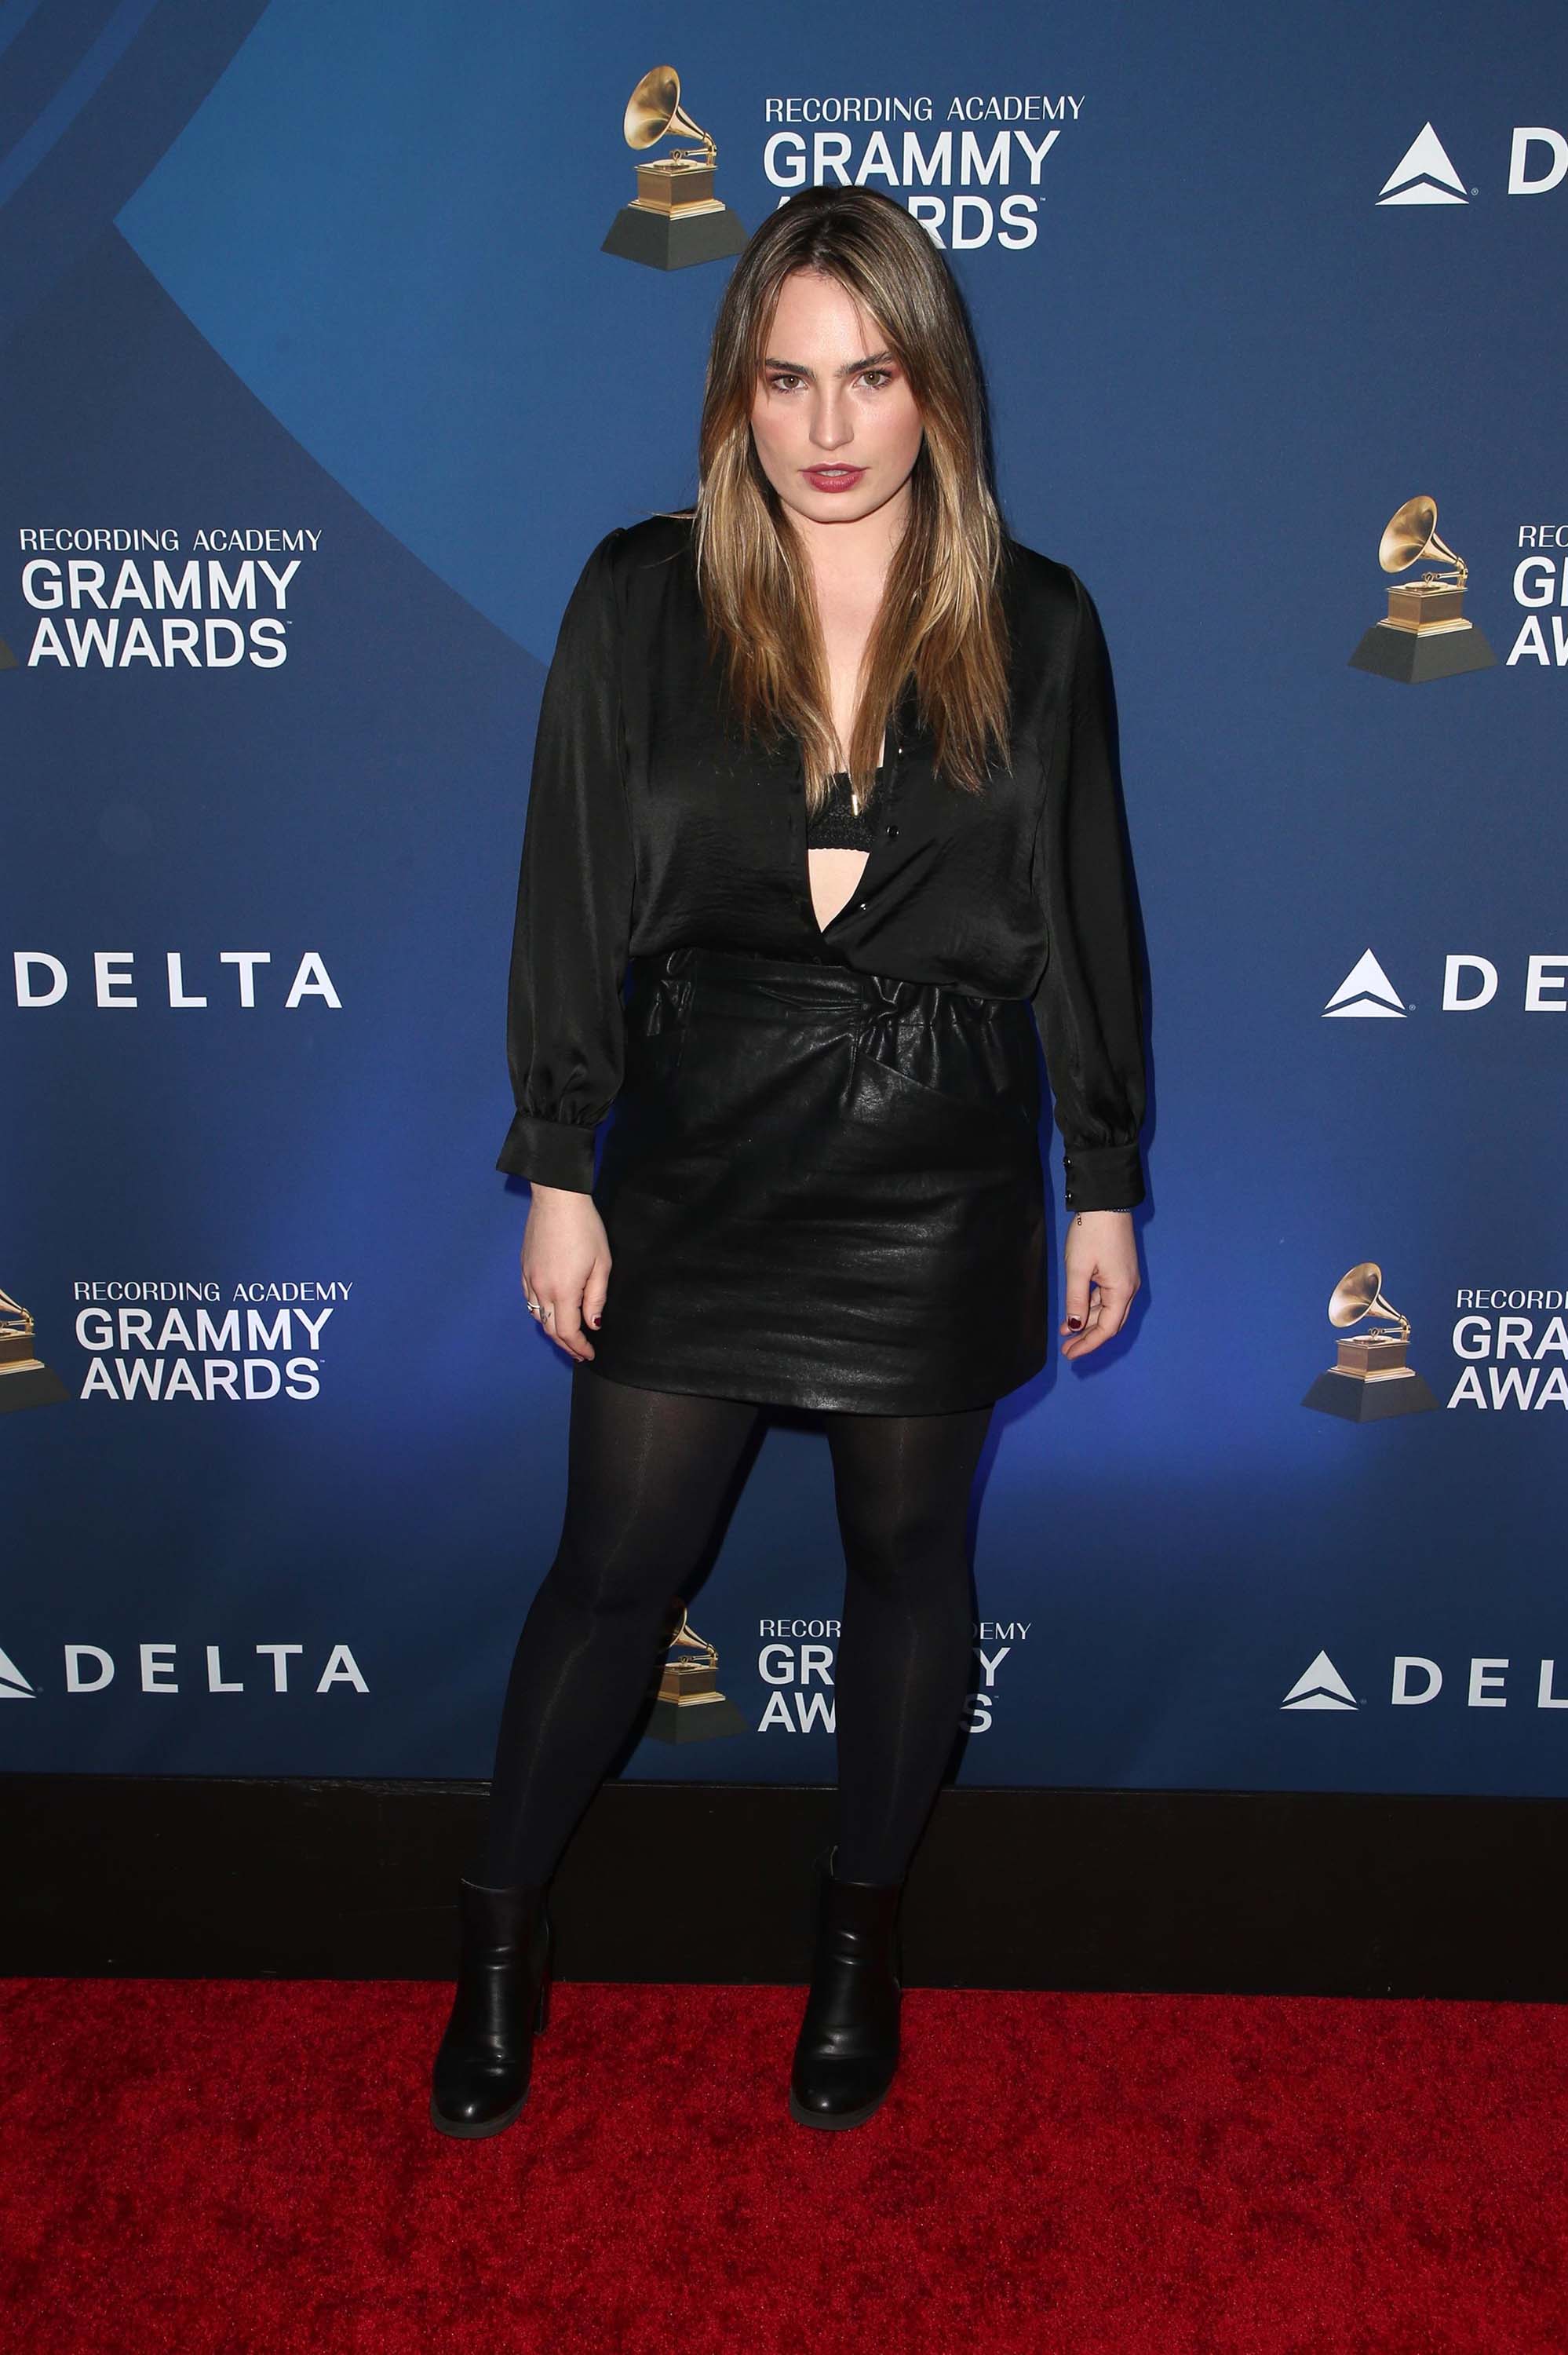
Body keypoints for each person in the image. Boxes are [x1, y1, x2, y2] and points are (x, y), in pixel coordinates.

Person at [430, 184, 1149, 2140]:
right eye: (786, 380)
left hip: (939, 1162)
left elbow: (1085, 910)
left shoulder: (1039, 622)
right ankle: (496, 1937)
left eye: (873, 376)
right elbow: (570, 888)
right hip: (698, 1148)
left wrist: (1102, 1169)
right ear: (735, 396)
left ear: (938, 393)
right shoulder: (639, 598)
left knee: (911, 1569)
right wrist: (558, 1158)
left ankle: (856, 1940)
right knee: (612, 1575)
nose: (829, 427)